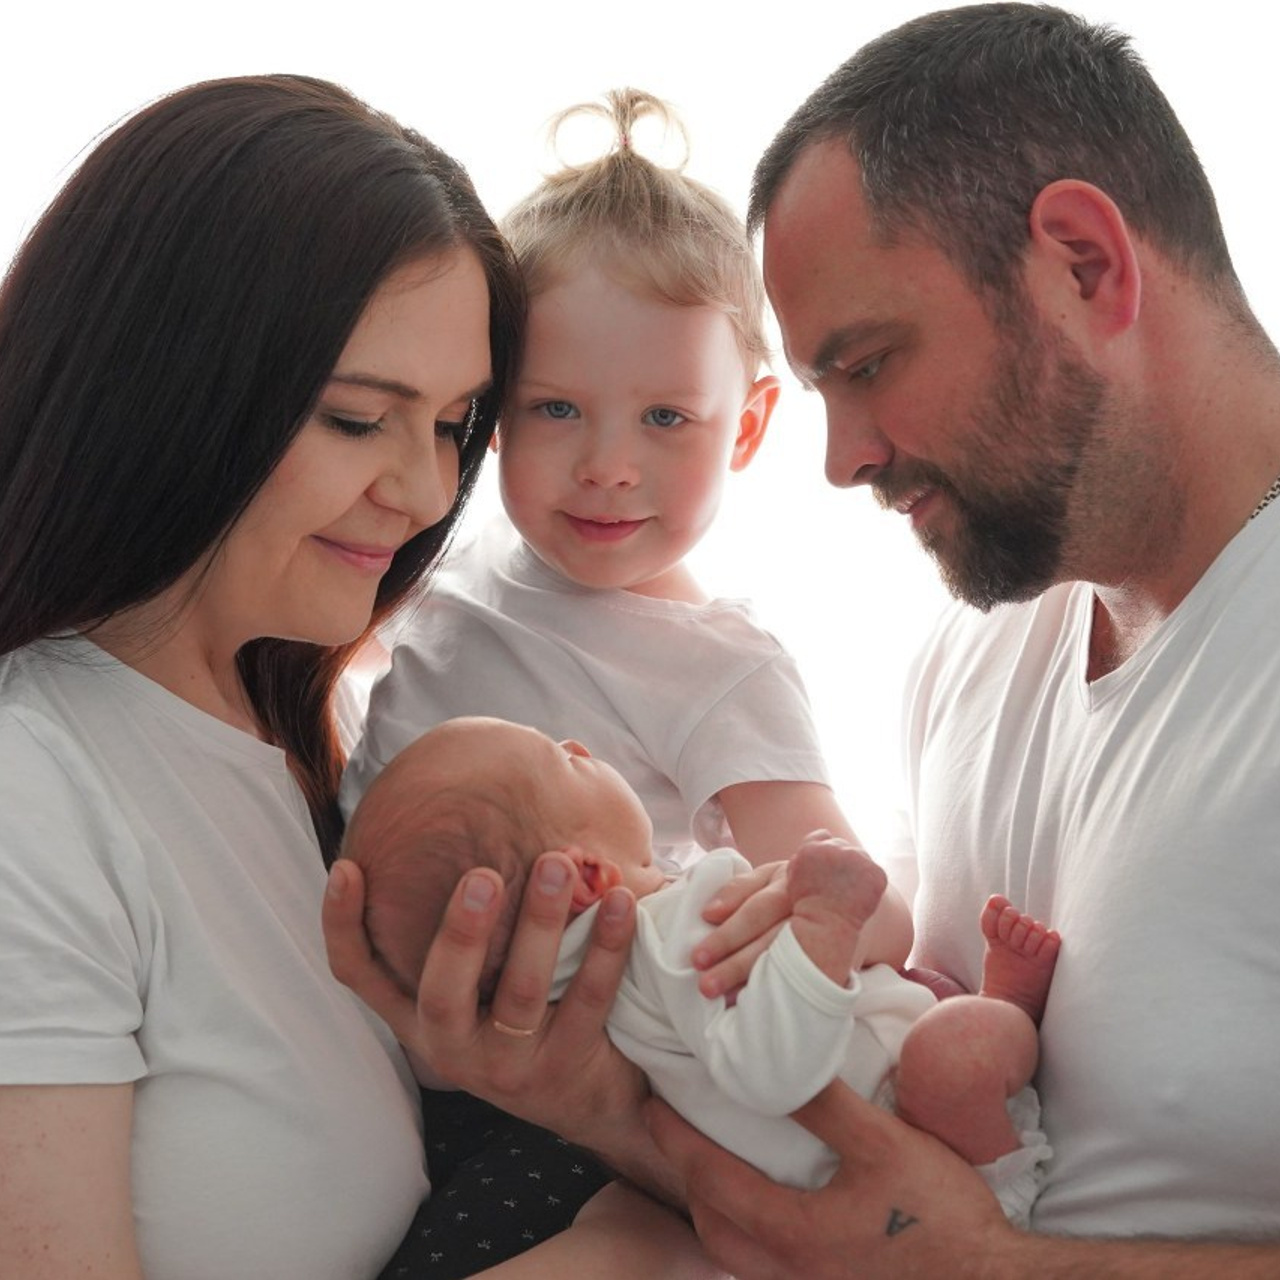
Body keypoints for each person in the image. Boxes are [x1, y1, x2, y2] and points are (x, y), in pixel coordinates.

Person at [0, 74, 714, 1280]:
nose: (428, 492)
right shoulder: (35, 786)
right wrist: (624, 1252)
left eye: (451, 425)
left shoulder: (308, 742)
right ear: (166, 388)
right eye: (354, 419)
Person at [640, 3, 1280, 1276]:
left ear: (1082, 264)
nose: (841, 459)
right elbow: (898, 1152)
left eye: (866, 363)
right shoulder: (974, 653)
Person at [341, 89, 910, 967]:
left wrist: (689, 909)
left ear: (747, 429)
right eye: (558, 407)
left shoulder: (719, 669)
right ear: (494, 414)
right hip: (383, 1030)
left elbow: (871, 920)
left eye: (666, 419)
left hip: (585, 1049)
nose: (608, 466)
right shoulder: (448, 572)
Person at [343, 714, 1059, 1227]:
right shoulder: (667, 932)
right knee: (956, 1047)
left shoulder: (583, 1011)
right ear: (587, 874)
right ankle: (1010, 1058)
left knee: (926, 1003)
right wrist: (824, 925)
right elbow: (773, 1073)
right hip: (935, 1158)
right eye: (562, 760)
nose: (577, 743)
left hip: (833, 1183)